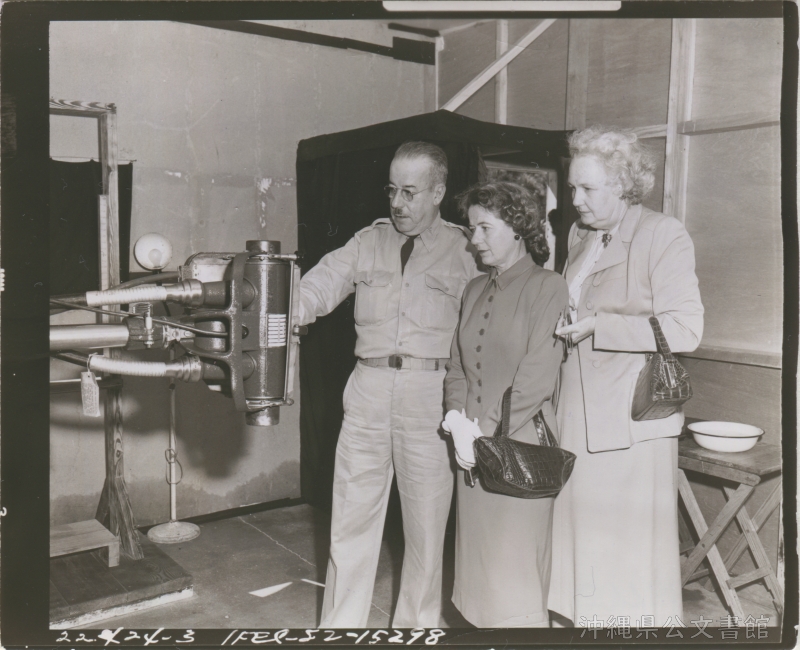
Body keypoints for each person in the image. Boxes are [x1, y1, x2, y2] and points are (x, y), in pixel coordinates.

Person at [297, 141, 480, 628]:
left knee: (426, 530)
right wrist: (283, 311)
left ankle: (416, 629)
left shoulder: (466, 249)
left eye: (410, 192)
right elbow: (317, 286)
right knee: (350, 521)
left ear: (438, 192)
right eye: (392, 190)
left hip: (430, 396)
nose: (397, 203)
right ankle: (340, 630)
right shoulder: (367, 242)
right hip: (369, 390)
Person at [548, 125, 704, 626]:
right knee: (582, 548)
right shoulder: (580, 236)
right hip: (576, 413)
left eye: (588, 188)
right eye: (573, 187)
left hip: (631, 418)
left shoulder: (662, 234)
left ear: (622, 185)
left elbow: (686, 328)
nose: (576, 200)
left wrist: (602, 326)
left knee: (623, 555)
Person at [442, 181, 568, 627]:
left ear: (518, 227)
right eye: (471, 228)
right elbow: (457, 366)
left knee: (514, 573)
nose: (473, 240)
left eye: (484, 228)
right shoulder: (474, 288)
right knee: (477, 573)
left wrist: (483, 435)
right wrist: (457, 420)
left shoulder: (548, 287)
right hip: (470, 449)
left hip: (518, 448)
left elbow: (536, 377)